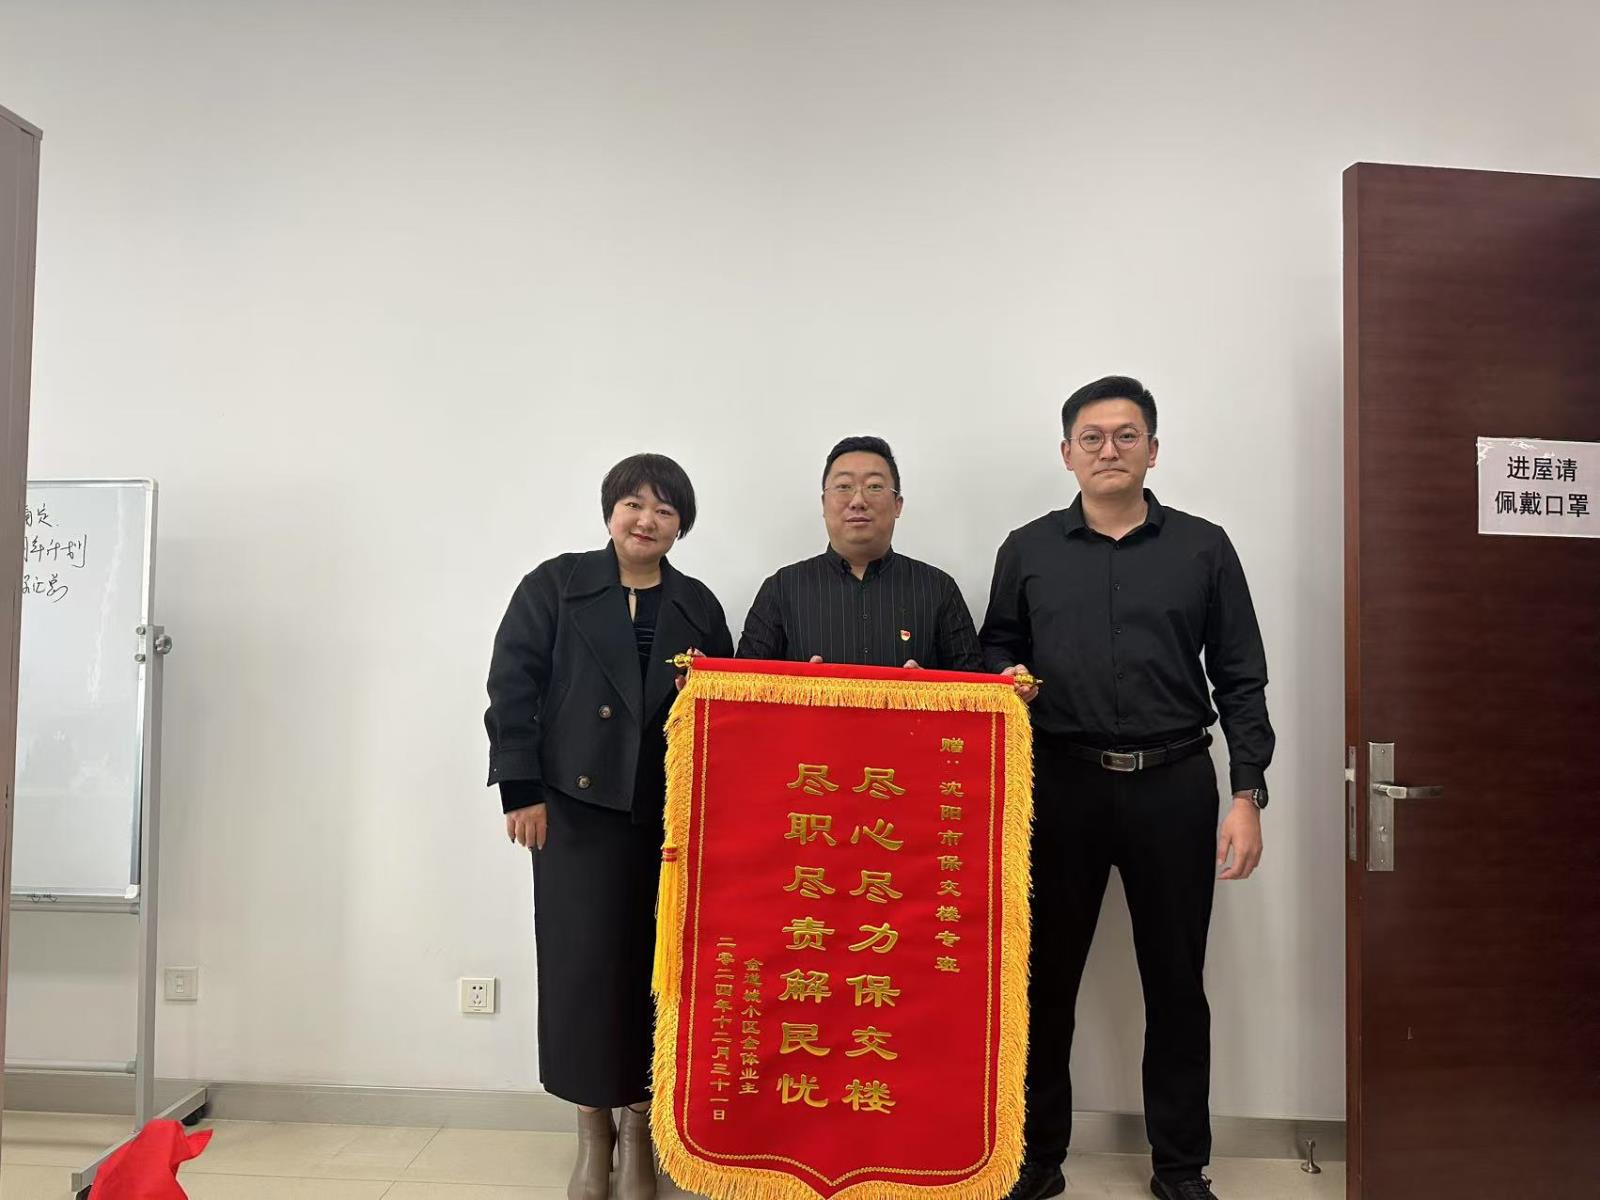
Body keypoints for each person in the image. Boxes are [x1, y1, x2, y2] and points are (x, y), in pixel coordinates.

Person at [980, 377, 1274, 1200]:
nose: (1109, 449)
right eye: (1092, 436)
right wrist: (1007, 674)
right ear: (1066, 452)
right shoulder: (1027, 549)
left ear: (1153, 448)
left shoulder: (1204, 548)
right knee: (1043, 982)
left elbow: (1242, 676)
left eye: (1126, 435)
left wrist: (1246, 793)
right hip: (1060, 786)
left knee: (1176, 986)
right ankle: (1036, 1159)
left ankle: (1180, 1167)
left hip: (1174, 784)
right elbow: (996, 645)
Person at [484, 453, 733, 1200]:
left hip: (670, 816)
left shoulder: (698, 604)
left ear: (681, 525)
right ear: (610, 511)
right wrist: (521, 790)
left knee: (658, 972)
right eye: (634, 504)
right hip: (573, 810)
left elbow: (727, 709)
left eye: (664, 509)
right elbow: (512, 687)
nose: (646, 520)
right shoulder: (556, 585)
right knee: (583, 971)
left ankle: (643, 1130)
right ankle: (593, 1132)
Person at [737, 435, 983, 671]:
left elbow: (978, 691)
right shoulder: (782, 589)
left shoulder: (938, 589)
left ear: (897, 506)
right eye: (844, 486)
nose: (858, 500)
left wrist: (928, 690)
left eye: (874, 486)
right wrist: (799, 689)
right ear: (824, 504)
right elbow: (738, 689)